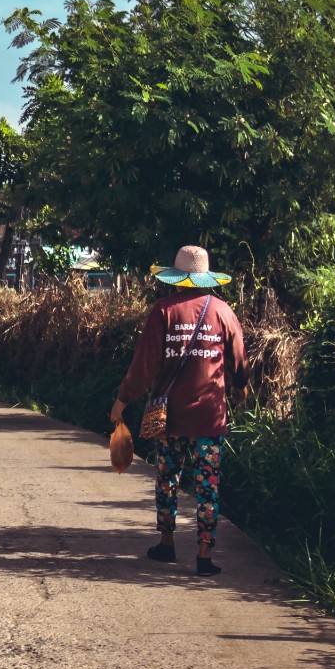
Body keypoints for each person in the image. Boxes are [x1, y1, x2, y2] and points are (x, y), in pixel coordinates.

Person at [110, 246, 248, 577]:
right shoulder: (223, 311)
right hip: (210, 418)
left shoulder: (164, 311)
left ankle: (167, 543)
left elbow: (144, 365)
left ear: (177, 277)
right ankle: (204, 554)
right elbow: (239, 358)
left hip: (169, 417)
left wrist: (122, 400)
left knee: (168, 479)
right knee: (207, 485)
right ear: (205, 277)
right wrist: (240, 388)